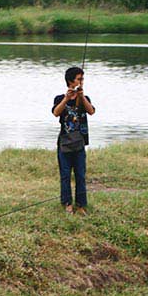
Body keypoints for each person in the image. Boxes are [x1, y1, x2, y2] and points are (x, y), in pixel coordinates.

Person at [52, 66, 95, 216]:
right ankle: (67, 203)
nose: (81, 82)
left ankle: (81, 205)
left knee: (80, 175)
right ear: (71, 81)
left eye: (82, 79)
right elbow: (56, 113)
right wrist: (66, 98)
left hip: (79, 143)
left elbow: (91, 111)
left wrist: (81, 96)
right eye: (79, 79)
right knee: (65, 174)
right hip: (64, 143)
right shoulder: (59, 98)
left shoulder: (84, 98)